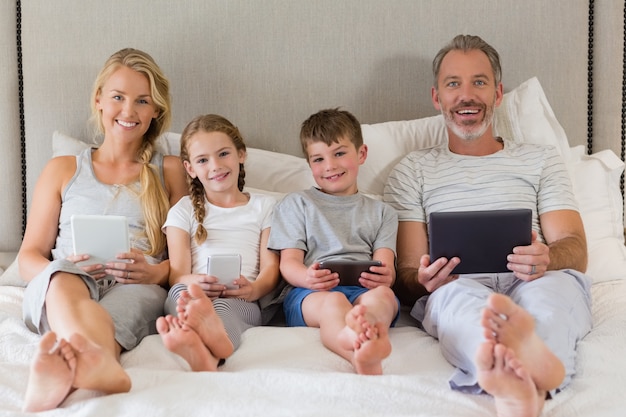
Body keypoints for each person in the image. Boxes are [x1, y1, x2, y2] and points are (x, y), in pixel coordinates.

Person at [383, 34, 592, 417]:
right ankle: (519, 374)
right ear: (437, 98)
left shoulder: (541, 160)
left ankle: (524, 370)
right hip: (458, 285)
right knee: (457, 305)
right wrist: (425, 281)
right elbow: (408, 274)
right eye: (453, 84)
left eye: (479, 82)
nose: (467, 96)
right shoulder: (412, 171)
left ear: (497, 94)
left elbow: (575, 247)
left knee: (548, 301)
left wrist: (548, 256)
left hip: (539, 278)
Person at [18, 48, 188, 412]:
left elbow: (185, 259)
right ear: (98, 100)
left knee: (112, 313)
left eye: (142, 101)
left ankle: (70, 371)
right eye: (117, 97)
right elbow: (28, 256)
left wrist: (156, 271)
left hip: (136, 284)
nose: (128, 111)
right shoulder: (62, 169)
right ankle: (101, 366)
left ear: (156, 110)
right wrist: (58, 269)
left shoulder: (171, 170)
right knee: (63, 281)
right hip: (67, 281)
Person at [268, 108, 400, 375]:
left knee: (384, 297)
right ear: (309, 164)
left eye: (339, 153)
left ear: (361, 154)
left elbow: (387, 268)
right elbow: (289, 264)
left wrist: (384, 278)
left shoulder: (384, 212)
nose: (329, 166)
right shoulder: (297, 204)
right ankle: (355, 352)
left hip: (364, 290)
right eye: (318, 159)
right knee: (334, 303)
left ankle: (367, 331)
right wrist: (308, 278)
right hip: (312, 294)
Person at [156, 114, 280, 371]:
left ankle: (214, 345)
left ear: (241, 155)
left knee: (225, 309)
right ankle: (207, 351)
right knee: (181, 296)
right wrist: (195, 283)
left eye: (223, 154)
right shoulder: (182, 210)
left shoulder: (265, 207)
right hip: (194, 290)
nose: (215, 166)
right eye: (203, 160)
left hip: (242, 298)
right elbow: (177, 275)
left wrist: (254, 290)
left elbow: (271, 268)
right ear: (190, 168)